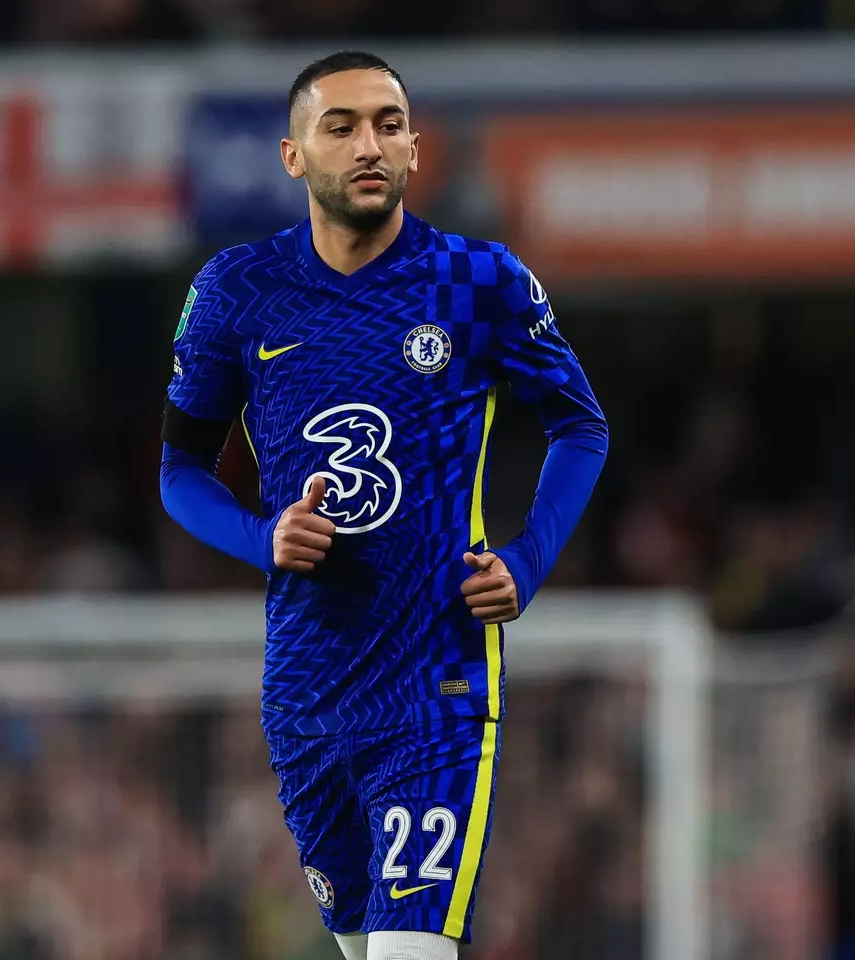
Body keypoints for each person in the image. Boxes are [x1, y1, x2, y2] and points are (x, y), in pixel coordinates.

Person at [159, 50, 608, 960]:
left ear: (412, 148)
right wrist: (263, 538)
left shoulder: (478, 282)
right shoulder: (236, 294)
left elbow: (581, 428)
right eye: (342, 126)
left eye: (389, 123)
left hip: (434, 679)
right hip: (306, 688)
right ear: (293, 155)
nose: (371, 144)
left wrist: (527, 561)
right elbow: (180, 472)